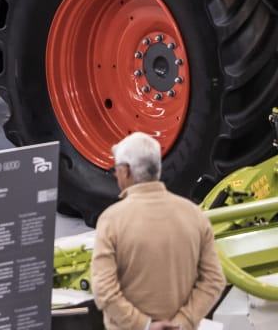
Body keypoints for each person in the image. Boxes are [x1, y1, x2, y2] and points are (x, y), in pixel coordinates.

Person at [91, 132, 225, 330]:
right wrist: (183, 321)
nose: (116, 176)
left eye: (115, 170)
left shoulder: (111, 220)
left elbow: (104, 290)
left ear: (126, 171)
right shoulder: (194, 214)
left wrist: (144, 325)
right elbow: (214, 280)